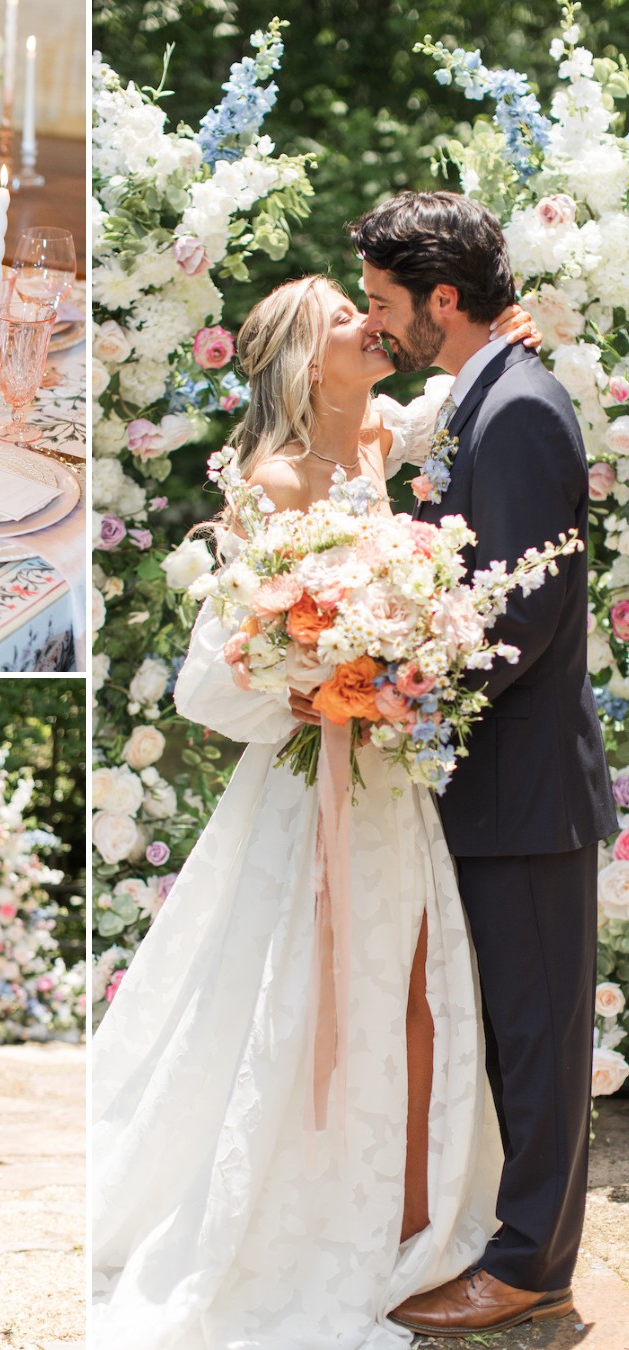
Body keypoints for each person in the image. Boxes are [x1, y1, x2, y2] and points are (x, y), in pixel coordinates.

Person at [92, 271, 538, 1349]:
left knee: (421, 982)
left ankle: (419, 1228)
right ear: (304, 354)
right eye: (350, 316)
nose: (373, 326)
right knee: (302, 995)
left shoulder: (382, 438)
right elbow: (215, 678)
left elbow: (450, 400)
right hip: (316, 780)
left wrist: (506, 339)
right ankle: (314, 1223)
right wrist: (322, 683)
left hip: (391, 776)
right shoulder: (273, 479)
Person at [349, 191, 616, 1336]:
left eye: (384, 304)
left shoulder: (517, 411)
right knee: (507, 1032)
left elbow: (516, 616)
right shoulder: (487, 397)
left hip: (526, 794)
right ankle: (506, 1244)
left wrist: (402, 689)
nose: (378, 325)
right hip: (488, 790)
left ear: (442, 302)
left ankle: (533, 1271)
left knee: (540, 1038)